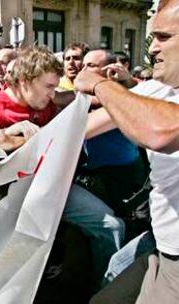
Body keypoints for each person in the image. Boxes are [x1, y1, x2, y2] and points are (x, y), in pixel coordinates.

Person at [0, 46, 125, 289]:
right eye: (49, 87)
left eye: (55, 87)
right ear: (24, 81)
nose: (53, 94)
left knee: (112, 226)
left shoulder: (46, 101)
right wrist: (0, 143)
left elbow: (76, 99)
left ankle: (107, 291)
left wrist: (123, 89)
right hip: (11, 204)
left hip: (54, 189)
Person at [73, 0, 179, 302]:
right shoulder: (158, 89)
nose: (152, 48)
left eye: (163, 37)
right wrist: (24, 140)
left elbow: (159, 131)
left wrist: (100, 86)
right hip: (161, 242)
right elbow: (82, 127)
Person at [78, 49, 147, 234]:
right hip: (96, 172)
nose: (83, 69)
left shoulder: (122, 97)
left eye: (90, 65)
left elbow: (82, 131)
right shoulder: (82, 95)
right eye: (82, 64)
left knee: (130, 225)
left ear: (109, 69)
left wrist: (128, 81)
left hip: (124, 174)